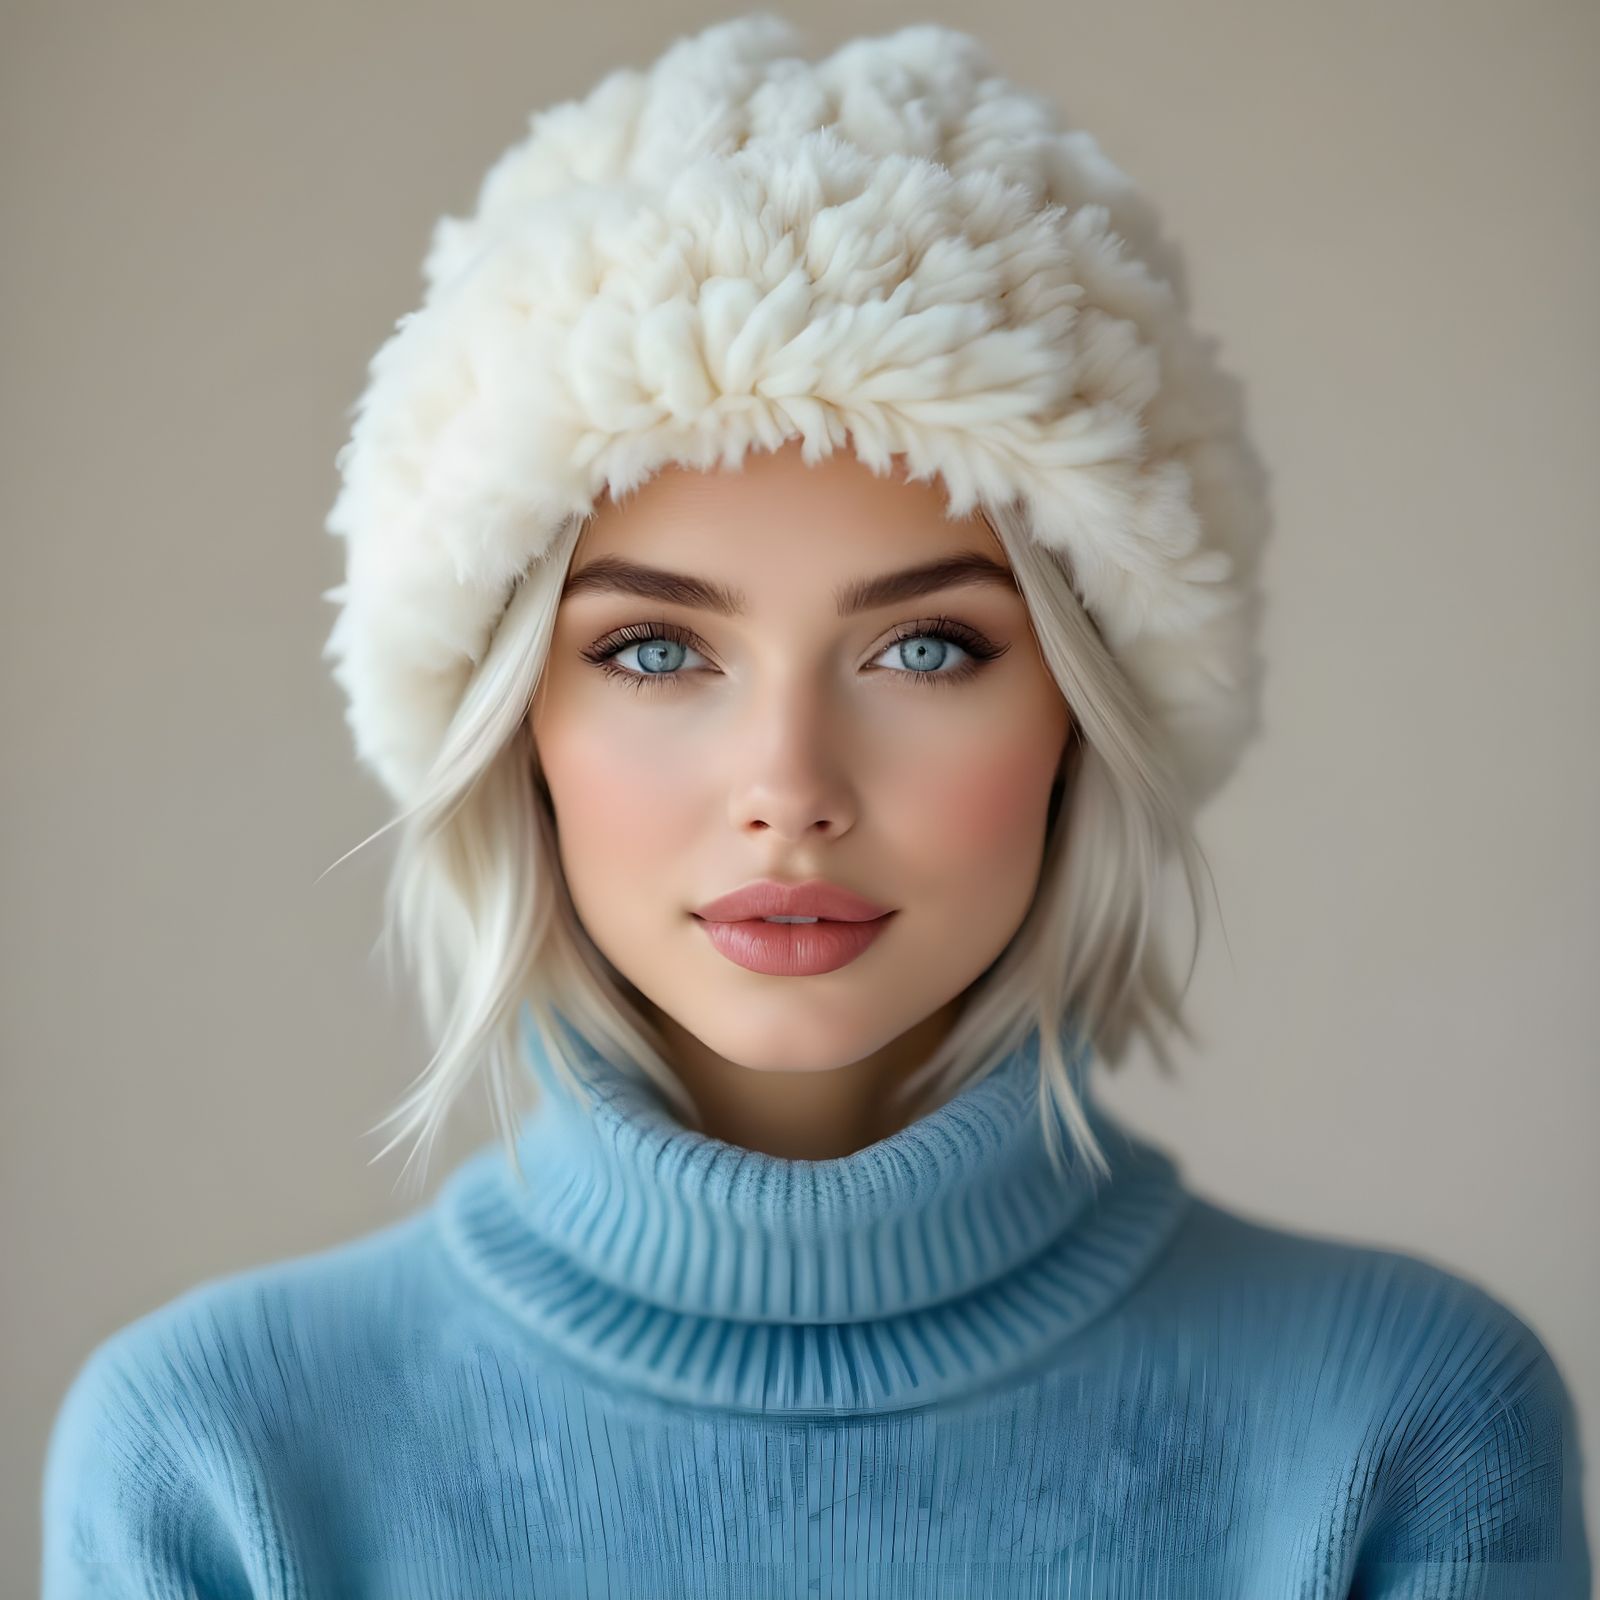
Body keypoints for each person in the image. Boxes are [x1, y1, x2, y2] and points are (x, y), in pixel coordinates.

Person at [41, 15, 1589, 1597]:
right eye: (654, 649)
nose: (789, 790)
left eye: (929, 647)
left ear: (1081, 710)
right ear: (514, 727)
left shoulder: (1400, 1424)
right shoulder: (221, 1454)